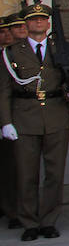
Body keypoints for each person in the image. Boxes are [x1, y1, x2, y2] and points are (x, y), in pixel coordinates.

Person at [0, 2, 69, 241]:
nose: (38, 22)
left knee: (55, 173)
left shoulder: (60, 48)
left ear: (48, 23)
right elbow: (4, 90)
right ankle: (29, 222)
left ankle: (48, 221)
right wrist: (6, 122)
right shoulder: (11, 53)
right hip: (24, 117)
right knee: (26, 174)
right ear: (26, 24)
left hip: (56, 115)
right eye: (33, 19)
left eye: (42, 19)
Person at [0, 15, 20, 230]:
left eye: (9, 30)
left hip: (14, 116)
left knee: (12, 166)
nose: (6, 35)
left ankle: (13, 210)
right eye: (2, 31)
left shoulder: (17, 54)